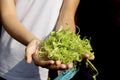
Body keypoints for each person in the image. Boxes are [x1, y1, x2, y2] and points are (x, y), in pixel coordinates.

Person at [0, 0, 94, 80]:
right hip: (10, 61)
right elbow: (8, 15)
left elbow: (67, 14)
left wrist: (64, 44)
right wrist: (34, 42)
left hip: (48, 59)